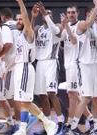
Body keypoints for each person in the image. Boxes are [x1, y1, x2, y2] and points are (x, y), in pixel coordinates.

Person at [70, 0, 97, 134]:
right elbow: (88, 22)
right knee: (86, 98)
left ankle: (96, 127)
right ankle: (72, 128)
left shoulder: (96, 24)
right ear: (87, 14)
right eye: (93, 13)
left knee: (96, 98)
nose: (96, 15)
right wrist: (96, 6)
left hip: (95, 65)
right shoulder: (81, 25)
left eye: (96, 13)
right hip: (84, 66)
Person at [12, 0, 56, 135]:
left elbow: (27, 21)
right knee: (22, 101)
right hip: (19, 68)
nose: (19, 21)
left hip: (26, 68)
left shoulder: (29, 34)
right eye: (17, 19)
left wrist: (20, 3)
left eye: (21, 19)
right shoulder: (21, 35)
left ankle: (24, 128)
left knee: (24, 101)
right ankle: (46, 122)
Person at [31, 2, 65, 134]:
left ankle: (61, 122)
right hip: (40, 63)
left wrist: (45, 13)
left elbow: (56, 31)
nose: (46, 15)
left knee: (51, 93)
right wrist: (33, 17)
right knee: (42, 96)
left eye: (49, 14)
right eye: (45, 14)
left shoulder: (56, 27)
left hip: (51, 62)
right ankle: (48, 125)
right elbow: (28, 32)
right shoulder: (39, 29)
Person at [61, 5, 95, 134]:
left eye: (73, 12)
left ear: (77, 13)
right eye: (68, 12)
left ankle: (70, 125)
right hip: (69, 65)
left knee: (73, 96)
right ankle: (91, 119)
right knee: (75, 95)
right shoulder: (65, 28)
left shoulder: (80, 25)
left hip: (76, 65)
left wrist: (66, 27)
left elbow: (74, 41)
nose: (71, 14)